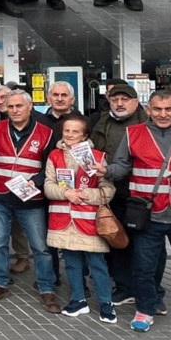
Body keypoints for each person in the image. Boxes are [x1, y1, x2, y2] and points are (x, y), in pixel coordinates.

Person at [101, 91, 171, 338]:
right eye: (157, 109)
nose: (163, 114)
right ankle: (145, 310)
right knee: (144, 268)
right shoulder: (133, 134)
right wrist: (105, 171)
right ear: (148, 109)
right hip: (148, 213)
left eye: (169, 109)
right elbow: (121, 167)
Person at [0, 91, 61, 313]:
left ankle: (47, 288)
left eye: (19, 106)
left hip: (31, 199)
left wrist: (37, 182)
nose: (15, 110)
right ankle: (0, 283)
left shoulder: (46, 133)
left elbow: (52, 166)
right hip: (0, 195)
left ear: (30, 106)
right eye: (11, 106)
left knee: (41, 247)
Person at [43, 112, 117, 323]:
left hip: (90, 220)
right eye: (66, 130)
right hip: (63, 219)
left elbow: (108, 190)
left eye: (75, 132)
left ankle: (106, 303)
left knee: (97, 264)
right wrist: (65, 193)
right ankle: (78, 299)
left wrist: (86, 195)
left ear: (85, 135)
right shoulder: (54, 156)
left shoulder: (98, 157)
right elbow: (48, 185)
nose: (69, 135)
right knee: (71, 263)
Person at [90, 82, 150, 302]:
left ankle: (151, 291)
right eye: (115, 100)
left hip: (140, 194)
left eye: (125, 99)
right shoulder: (102, 122)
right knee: (116, 240)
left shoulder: (147, 123)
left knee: (145, 246)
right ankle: (124, 286)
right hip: (112, 192)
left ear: (136, 102)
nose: (120, 103)